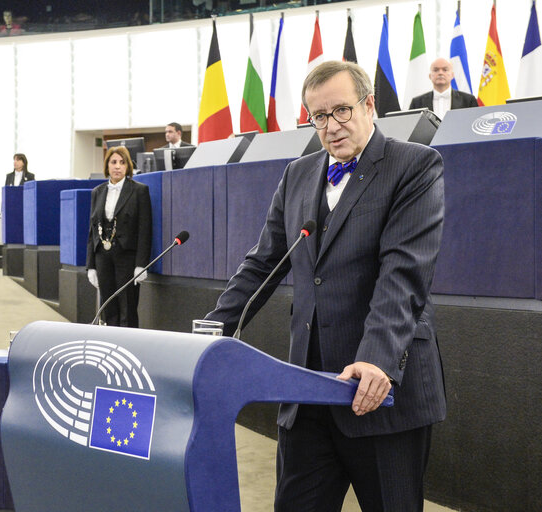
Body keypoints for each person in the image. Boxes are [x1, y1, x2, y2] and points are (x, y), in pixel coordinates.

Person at [205, 61, 446, 511]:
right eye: (319, 116)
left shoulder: (414, 166)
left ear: (369, 105)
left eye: (341, 111)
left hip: (381, 393)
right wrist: (211, 330)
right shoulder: (297, 174)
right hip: (307, 394)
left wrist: (375, 360)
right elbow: (262, 264)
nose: (331, 126)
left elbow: (403, 275)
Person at [86, 146, 152, 327]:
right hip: (103, 256)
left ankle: (128, 347)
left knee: (127, 307)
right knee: (108, 307)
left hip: (127, 257)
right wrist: (90, 265)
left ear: (128, 166)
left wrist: (141, 264)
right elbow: (92, 231)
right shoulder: (97, 192)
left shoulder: (139, 191)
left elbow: (145, 229)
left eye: (122, 163)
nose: (117, 167)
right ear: (107, 166)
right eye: (113, 162)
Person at [409, 57, 478, 120]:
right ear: (430, 76)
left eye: (445, 70)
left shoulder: (469, 100)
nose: (440, 73)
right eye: (436, 70)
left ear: (452, 75)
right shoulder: (416, 103)